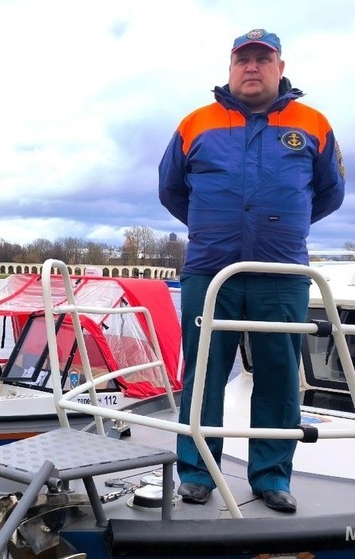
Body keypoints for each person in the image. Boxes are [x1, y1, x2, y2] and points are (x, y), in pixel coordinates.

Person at [159, 29, 345, 513]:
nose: (252, 67)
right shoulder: (194, 124)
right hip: (208, 271)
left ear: (280, 66)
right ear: (231, 66)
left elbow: (328, 194)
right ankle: (197, 472)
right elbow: (172, 191)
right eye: (244, 59)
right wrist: (212, 226)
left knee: (281, 374)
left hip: (281, 272)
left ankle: (271, 475)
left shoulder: (315, 124)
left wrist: (283, 227)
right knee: (203, 372)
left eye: (263, 59)